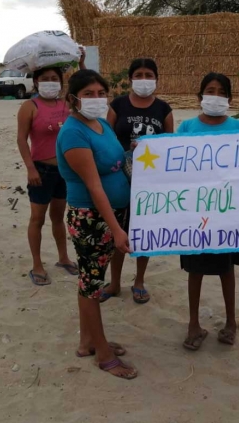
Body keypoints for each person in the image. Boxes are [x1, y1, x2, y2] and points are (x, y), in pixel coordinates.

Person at [56, 69, 137, 379]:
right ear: (73, 99)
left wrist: (136, 150)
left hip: (111, 214)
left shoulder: (101, 124)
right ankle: (102, 353)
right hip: (92, 218)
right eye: (88, 94)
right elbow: (94, 186)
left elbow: (116, 160)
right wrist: (116, 229)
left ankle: (87, 340)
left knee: (90, 279)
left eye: (100, 92)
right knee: (92, 284)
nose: (96, 98)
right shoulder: (73, 132)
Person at [177, 73, 239, 351]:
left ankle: (231, 322)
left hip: (228, 213)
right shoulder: (186, 128)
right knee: (194, 269)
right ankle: (193, 323)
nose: (215, 96)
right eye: (209, 90)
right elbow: (171, 162)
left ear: (229, 99)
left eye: (221, 92)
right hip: (195, 213)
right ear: (199, 97)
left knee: (226, 268)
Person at [102, 58, 174, 304]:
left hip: (149, 182)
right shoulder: (118, 105)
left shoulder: (164, 109)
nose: (144, 79)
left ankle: (140, 280)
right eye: (139, 75)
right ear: (131, 78)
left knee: (144, 230)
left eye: (149, 75)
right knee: (118, 231)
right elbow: (106, 137)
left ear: (156, 79)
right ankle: (114, 282)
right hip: (119, 178)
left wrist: (149, 148)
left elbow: (170, 147)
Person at [17, 66, 78, 286]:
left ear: (62, 82)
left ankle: (63, 258)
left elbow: (85, 84)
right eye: (45, 79)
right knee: (37, 218)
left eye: (54, 79)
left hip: (64, 170)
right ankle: (37, 264)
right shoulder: (29, 107)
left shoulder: (67, 104)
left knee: (58, 217)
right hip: (41, 170)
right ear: (36, 82)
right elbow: (22, 139)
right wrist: (30, 168)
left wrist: (81, 62)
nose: (50, 82)